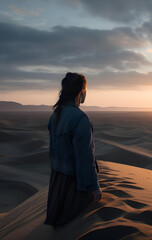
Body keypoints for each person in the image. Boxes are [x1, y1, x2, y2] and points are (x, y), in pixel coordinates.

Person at [44, 72, 102, 228]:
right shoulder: (80, 118)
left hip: (57, 182)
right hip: (74, 184)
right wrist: (93, 187)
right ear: (81, 92)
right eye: (85, 90)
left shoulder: (56, 114)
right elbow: (84, 158)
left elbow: (52, 151)